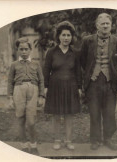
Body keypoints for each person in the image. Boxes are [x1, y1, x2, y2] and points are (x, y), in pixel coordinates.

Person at [80, 13, 117, 150]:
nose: (105, 26)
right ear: (97, 25)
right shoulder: (88, 41)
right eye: (102, 23)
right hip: (93, 82)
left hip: (110, 82)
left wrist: (110, 73)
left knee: (109, 112)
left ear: (111, 26)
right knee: (94, 112)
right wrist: (91, 73)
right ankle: (95, 140)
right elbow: (83, 61)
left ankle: (108, 139)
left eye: (107, 23)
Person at [43, 21, 82, 150]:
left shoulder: (75, 53)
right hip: (55, 87)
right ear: (58, 36)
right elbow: (46, 70)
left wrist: (79, 87)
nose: (66, 38)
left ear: (72, 37)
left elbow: (78, 72)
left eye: (68, 35)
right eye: (63, 35)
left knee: (69, 115)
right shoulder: (51, 52)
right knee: (56, 114)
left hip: (71, 86)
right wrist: (46, 86)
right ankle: (57, 140)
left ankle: (68, 140)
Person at [7, 37, 45, 155]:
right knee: (20, 118)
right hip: (18, 90)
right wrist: (10, 97)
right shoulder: (14, 64)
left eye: (26, 49)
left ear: (30, 50)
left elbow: (41, 80)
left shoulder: (36, 63)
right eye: (21, 49)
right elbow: (9, 81)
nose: (23, 51)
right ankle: (24, 145)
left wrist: (41, 96)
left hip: (33, 90)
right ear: (18, 50)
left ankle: (33, 144)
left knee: (31, 121)